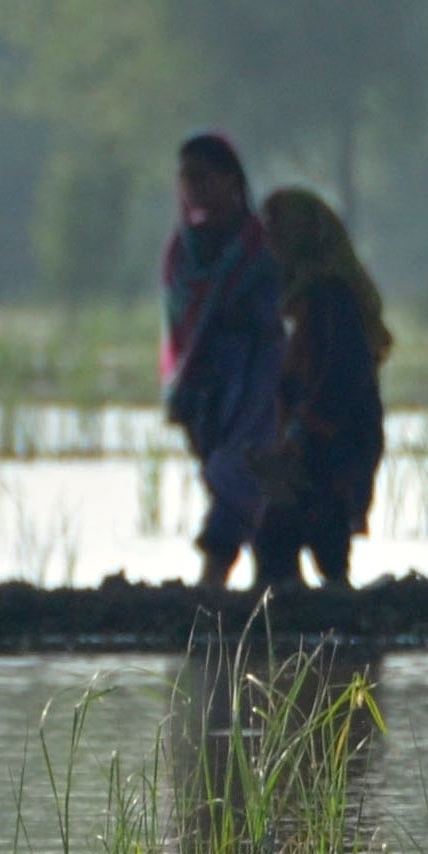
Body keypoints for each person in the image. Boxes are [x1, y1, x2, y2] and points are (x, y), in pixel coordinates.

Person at [160, 133, 285, 591]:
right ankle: (265, 583)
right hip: (202, 385)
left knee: (240, 469)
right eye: (185, 177)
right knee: (227, 475)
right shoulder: (183, 249)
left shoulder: (256, 246)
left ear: (230, 181)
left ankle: (212, 581)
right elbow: (180, 313)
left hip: (253, 378)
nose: (192, 187)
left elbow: (270, 319)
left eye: (202, 176)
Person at [255, 185, 391, 592]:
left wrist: (304, 432)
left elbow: (343, 375)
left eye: (276, 231)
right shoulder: (312, 297)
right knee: (298, 537)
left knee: (294, 533)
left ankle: (320, 618)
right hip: (323, 443)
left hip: (335, 445)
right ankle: (322, 615)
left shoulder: (330, 297)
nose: (269, 243)